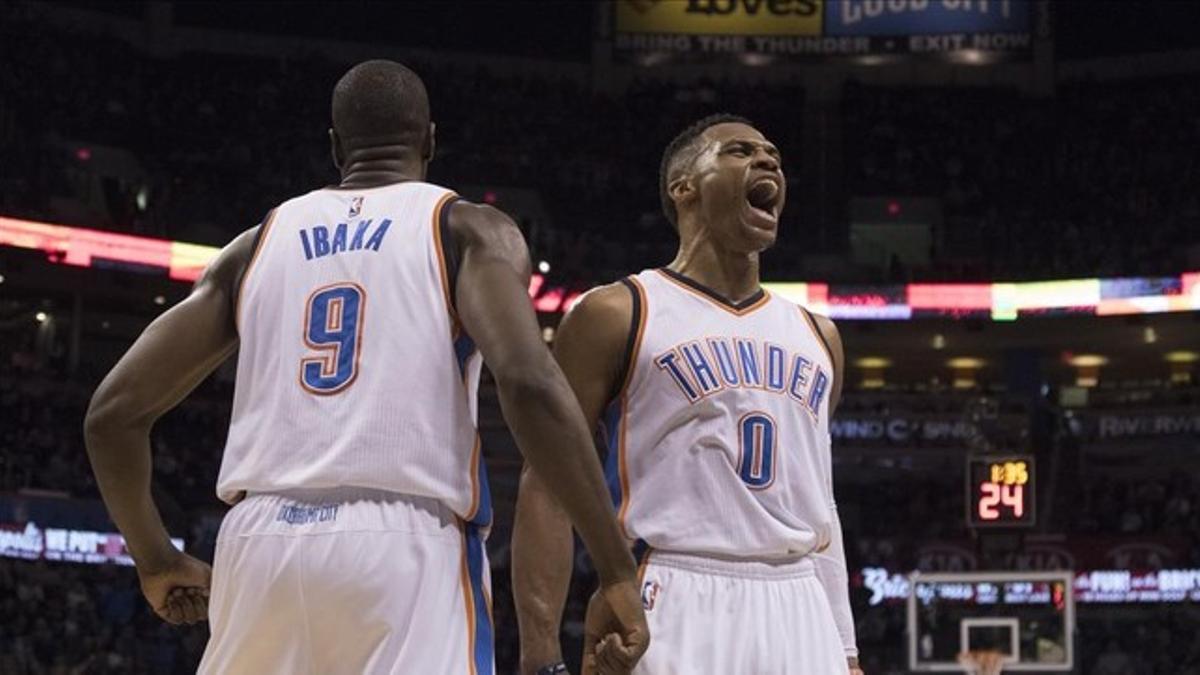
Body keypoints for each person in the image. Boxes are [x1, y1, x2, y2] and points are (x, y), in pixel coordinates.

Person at [84, 59, 647, 675]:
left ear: (335, 147)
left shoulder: (254, 246)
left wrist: (156, 558)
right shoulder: (465, 229)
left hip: (260, 539)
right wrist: (616, 567)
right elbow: (529, 383)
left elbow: (112, 415)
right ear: (430, 139)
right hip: (404, 541)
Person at [512, 114, 861, 675]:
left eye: (773, 155)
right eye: (740, 152)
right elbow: (548, 482)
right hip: (674, 590)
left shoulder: (820, 336)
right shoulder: (617, 312)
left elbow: (823, 501)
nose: (768, 162)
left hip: (801, 602)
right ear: (684, 187)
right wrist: (540, 655)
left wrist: (845, 648)